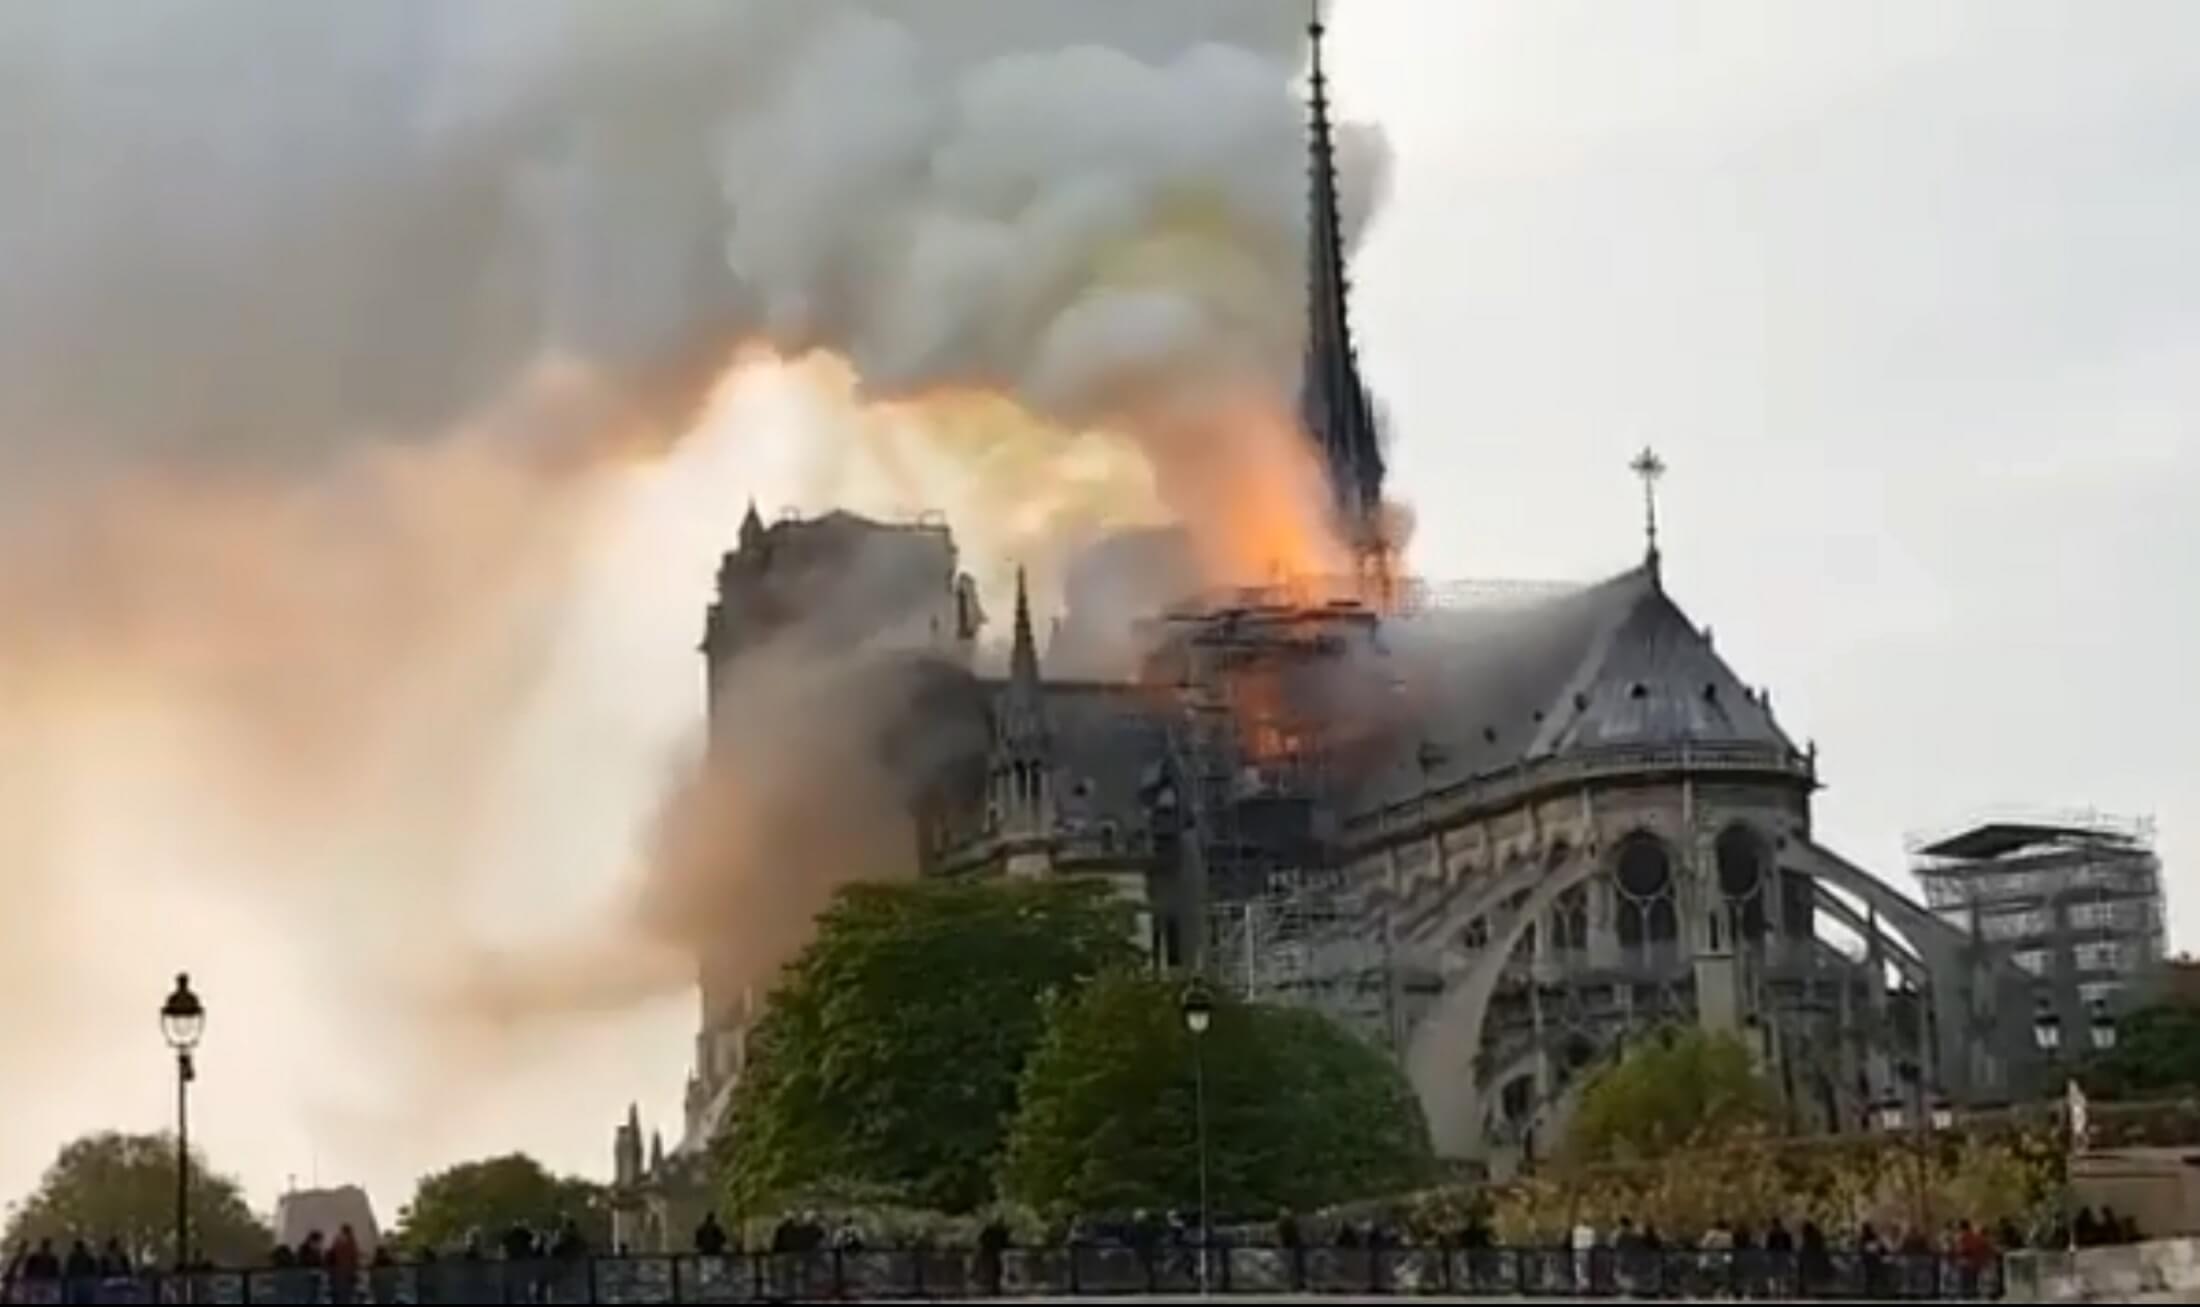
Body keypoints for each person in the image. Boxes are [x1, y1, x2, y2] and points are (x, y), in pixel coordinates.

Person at [326, 1223, 361, 1305]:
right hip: (346, 1272)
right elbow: (354, 1256)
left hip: (337, 1272)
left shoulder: (337, 1241)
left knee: (339, 1295)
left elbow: (332, 1254)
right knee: (346, 1295)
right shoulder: (351, 1241)